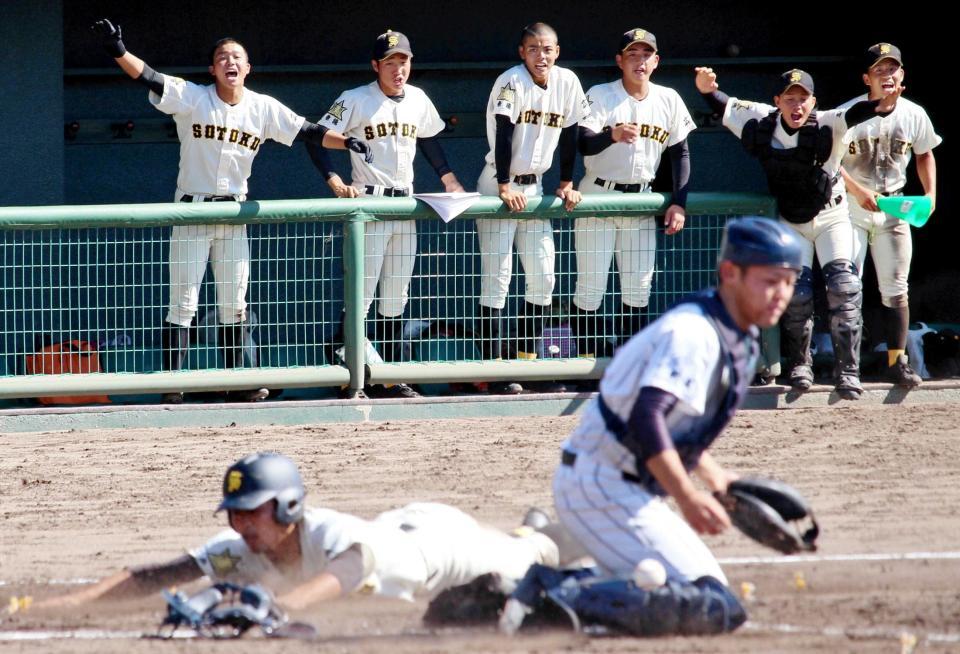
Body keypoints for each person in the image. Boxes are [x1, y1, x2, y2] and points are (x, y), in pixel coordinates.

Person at [91, 19, 371, 404]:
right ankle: (173, 386)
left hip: (235, 215)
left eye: (236, 56)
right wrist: (119, 51)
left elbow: (308, 131)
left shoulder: (262, 107)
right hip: (192, 212)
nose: (229, 61)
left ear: (248, 67)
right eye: (222, 57)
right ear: (212, 69)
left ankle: (237, 380)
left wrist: (348, 141)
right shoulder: (194, 97)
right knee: (183, 302)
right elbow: (152, 78)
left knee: (234, 305)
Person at [552, 217, 801, 592]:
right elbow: (646, 417)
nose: (781, 293)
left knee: (703, 588)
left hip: (622, 487)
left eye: (789, 280)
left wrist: (716, 478)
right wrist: (687, 496)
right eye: (770, 280)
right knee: (704, 596)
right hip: (599, 485)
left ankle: (556, 568)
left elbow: (672, 426)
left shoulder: (736, 334)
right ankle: (539, 593)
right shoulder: (693, 333)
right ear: (730, 272)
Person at [34, 452, 560, 611]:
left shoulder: (326, 533)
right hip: (404, 527)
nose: (240, 524)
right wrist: (65, 605)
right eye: (234, 514)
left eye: (251, 512)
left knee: (540, 558)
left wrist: (275, 606)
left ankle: (531, 531)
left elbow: (347, 571)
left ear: (288, 507)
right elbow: (156, 574)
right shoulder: (241, 549)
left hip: (444, 548)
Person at [695, 66, 901, 399]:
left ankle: (848, 371)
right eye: (789, 99)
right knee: (797, 294)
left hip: (832, 215)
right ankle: (799, 365)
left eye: (803, 99)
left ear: (813, 101)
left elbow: (865, 110)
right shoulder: (762, 121)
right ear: (777, 101)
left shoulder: (829, 122)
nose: (797, 106)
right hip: (792, 221)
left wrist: (884, 96)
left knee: (844, 288)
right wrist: (706, 90)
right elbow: (726, 105)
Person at [308, 30, 464, 400]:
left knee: (396, 297)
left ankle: (393, 376)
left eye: (404, 61)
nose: (399, 69)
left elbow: (428, 138)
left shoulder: (419, 99)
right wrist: (333, 180)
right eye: (391, 62)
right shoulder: (356, 99)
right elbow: (316, 137)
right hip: (370, 203)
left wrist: (449, 178)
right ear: (376, 65)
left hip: (405, 203)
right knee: (360, 298)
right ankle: (350, 374)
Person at [474, 22, 590, 394]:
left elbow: (572, 131)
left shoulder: (567, 82)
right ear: (522, 52)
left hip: (536, 187)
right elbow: (505, 132)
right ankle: (495, 369)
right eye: (534, 49)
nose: (542, 55)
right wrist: (505, 185)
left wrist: (568, 180)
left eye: (548, 49)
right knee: (498, 277)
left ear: (557, 51)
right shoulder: (511, 81)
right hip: (498, 183)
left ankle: (527, 363)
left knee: (543, 277)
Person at [571, 28, 695, 358]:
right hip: (598, 196)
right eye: (632, 54)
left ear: (656, 61)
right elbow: (580, 141)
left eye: (645, 55)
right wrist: (610, 136)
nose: (639, 61)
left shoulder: (669, 98)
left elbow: (680, 153)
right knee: (590, 287)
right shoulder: (599, 94)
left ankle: (630, 359)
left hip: (640, 199)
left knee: (638, 289)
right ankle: (588, 363)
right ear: (619, 61)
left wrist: (678, 204)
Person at [839, 43, 940, 387]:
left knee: (896, 289)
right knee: (847, 286)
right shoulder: (849, 113)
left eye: (892, 69)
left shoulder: (914, 114)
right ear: (866, 78)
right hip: (853, 206)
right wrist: (857, 190)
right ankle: (846, 366)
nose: (887, 75)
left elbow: (926, 152)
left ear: (902, 75)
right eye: (879, 70)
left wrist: (930, 194)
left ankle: (897, 361)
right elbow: (829, 162)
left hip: (894, 205)